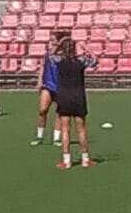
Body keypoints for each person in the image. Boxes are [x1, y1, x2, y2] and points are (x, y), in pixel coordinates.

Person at [52, 36, 98, 169]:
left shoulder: (58, 61)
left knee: (65, 130)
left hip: (64, 97)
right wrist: (86, 48)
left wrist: (59, 45)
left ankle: (66, 161)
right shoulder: (81, 61)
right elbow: (95, 61)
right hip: (78, 97)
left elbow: (51, 56)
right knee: (81, 130)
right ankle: (85, 159)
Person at [31, 29, 66, 147]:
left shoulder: (65, 54)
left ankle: (56, 138)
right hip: (48, 84)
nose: (51, 42)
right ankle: (39, 136)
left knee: (59, 112)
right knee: (42, 110)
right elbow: (43, 66)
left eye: (53, 40)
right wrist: (40, 80)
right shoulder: (48, 53)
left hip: (61, 85)